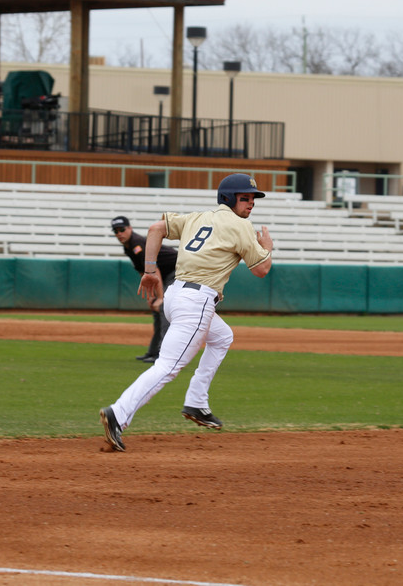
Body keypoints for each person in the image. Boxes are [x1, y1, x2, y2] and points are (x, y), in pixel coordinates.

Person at [100, 173, 274, 452]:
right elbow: (261, 270)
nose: (251, 203)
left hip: (175, 296)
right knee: (168, 366)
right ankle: (118, 414)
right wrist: (267, 249)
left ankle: (197, 402)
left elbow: (156, 228)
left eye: (253, 198)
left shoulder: (197, 217)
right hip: (197, 301)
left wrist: (148, 271)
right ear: (228, 199)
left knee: (222, 337)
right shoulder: (242, 227)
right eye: (245, 197)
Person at [111, 215, 177, 363]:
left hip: (177, 271)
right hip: (163, 275)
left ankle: (164, 354)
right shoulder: (128, 247)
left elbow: (154, 270)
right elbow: (144, 272)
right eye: (116, 231)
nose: (119, 233)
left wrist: (160, 297)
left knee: (163, 308)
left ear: (130, 228)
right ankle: (153, 352)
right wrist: (151, 296)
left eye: (122, 229)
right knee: (157, 311)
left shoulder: (137, 243)